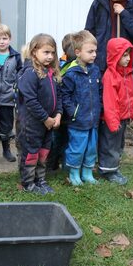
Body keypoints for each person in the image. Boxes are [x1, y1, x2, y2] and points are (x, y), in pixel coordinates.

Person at [17, 33, 62, 194]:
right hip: (32, 123)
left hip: (49, 124)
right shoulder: (30, 73)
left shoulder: (51, 72)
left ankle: (40, 179)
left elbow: (59, 96)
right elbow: (30, 100)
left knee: (44, 152)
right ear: (34, 51)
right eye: (46, 52)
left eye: (52, 53)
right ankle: (28, 183)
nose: (50, 57)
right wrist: (45, 118)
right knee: (31, 152)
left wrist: (58, 114)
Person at [60, 30, 102, 185]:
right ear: (77, 52)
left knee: (91, 148)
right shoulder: (71, 73)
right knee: (77, 148)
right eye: (90, 51)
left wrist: (99, 108)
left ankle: (87, 172)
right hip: (78, 120)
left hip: (93, 119)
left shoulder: (95, 70)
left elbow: (99, 91)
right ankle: (74, 173)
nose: (94, 55)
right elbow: (65, 96)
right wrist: (73, 112)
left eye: (95, 51)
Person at [98, 37, 133, 185]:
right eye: (124, 55)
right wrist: (113, 123)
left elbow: (131, 95)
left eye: (129, 55)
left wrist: (132, 111)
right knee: (110, 145)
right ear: (115, 56)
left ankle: (114, 168)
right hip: (112, 120)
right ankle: (108, 171)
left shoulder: (127, 74)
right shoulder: (110, 76)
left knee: (119, 145)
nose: (128, 59)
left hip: (122, 118)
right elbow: (110, 102)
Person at [0, 24, 22, 163]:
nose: (2, 41)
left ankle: (6, 150)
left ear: (10, 39)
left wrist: (17, 89)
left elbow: (20, 73)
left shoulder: (15, 56)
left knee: (7, 126)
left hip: (8, 99)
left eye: (5, 38)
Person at [46, 32, 77, 173]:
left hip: (61, 110)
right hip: (63, 111)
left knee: (58, 140)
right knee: (60, 140)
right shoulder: (68, 66)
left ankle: (54, 164)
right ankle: (53, 165)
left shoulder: (60, 62)